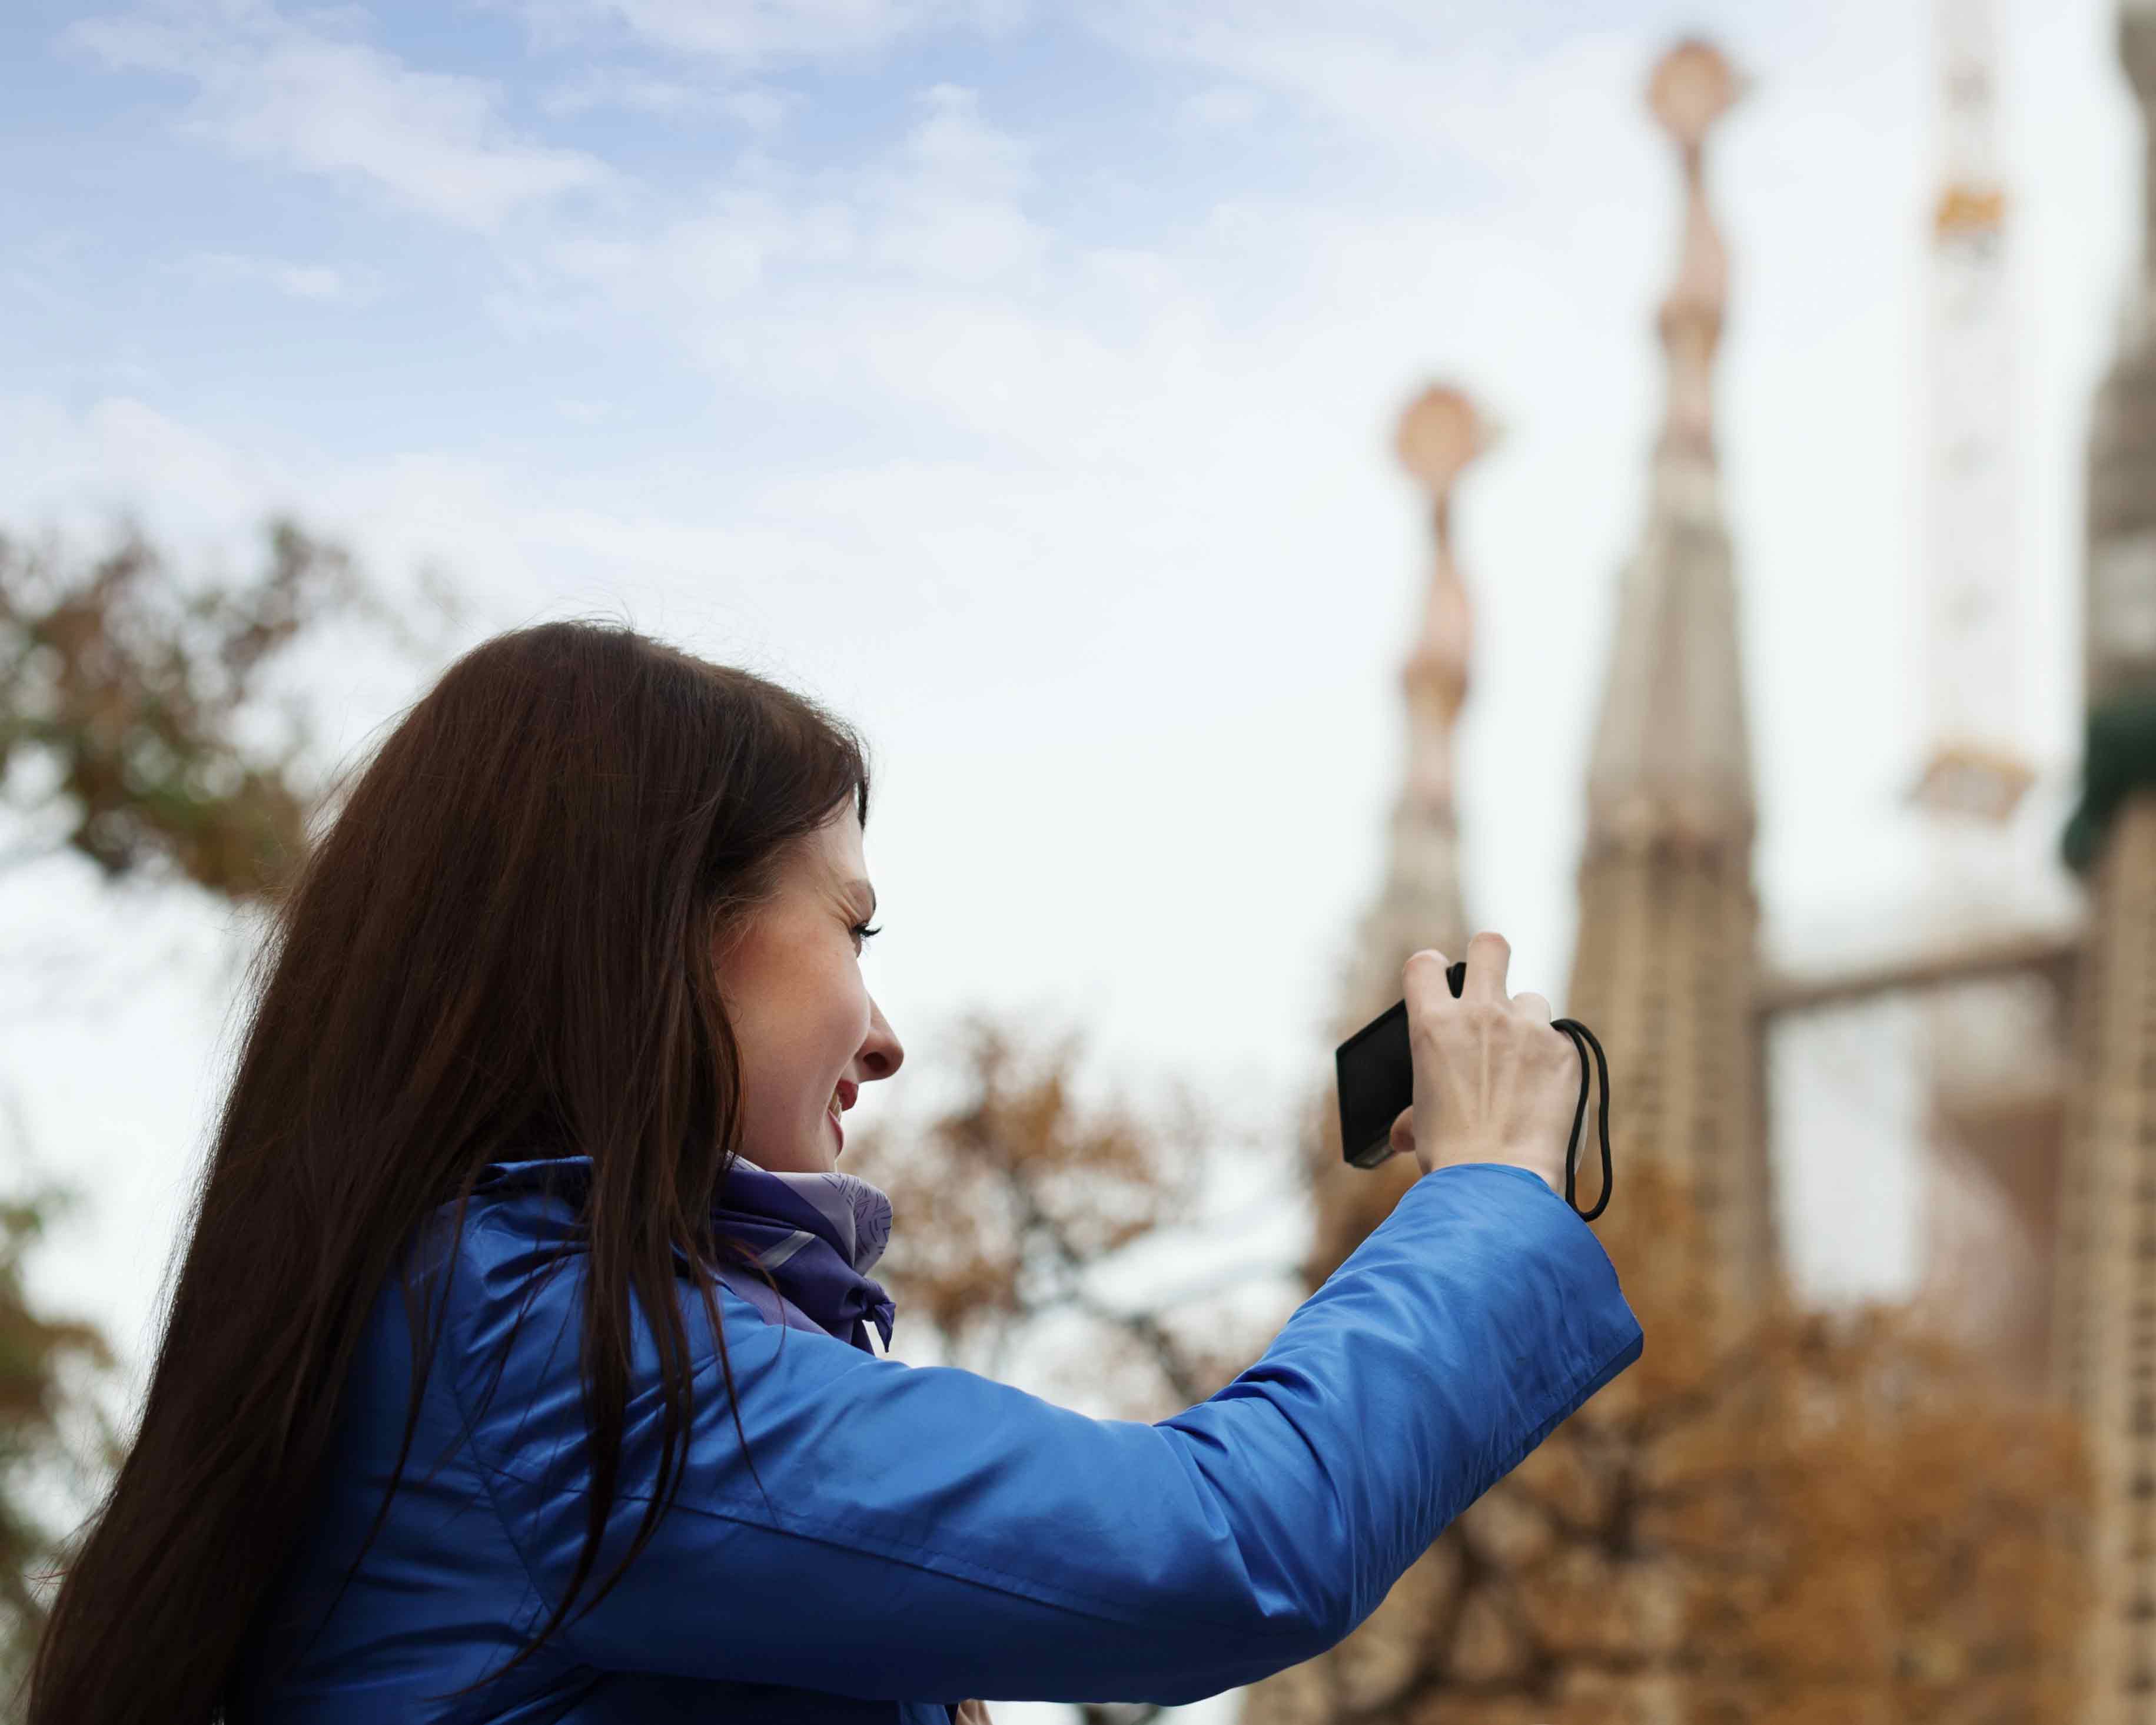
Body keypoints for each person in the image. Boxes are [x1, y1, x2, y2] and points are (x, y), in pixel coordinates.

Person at [28, 621, 1641, 1724]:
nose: (885, 1033)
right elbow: (1220, 1543)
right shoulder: (550, 1361)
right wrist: (1489, 1190)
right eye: (853, 929)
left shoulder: (474, 1333)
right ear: (655, 932)